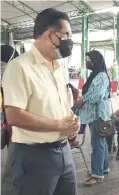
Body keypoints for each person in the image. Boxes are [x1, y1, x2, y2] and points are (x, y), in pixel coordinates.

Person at [2, 8, 79, 195]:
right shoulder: (19, 67)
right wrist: (59, 125)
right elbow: (14, 116)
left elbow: (63, 105)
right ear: (50, 34)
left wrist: (72, 121)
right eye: (66, 35)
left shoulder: (59, 68)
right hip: (34, 156)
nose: (69, 40)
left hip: (64, 152)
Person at [77, 50, 112, 187]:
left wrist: (83, 99)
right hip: (95, 114)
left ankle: (97, 175)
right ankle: (103, 168)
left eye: (89, 60)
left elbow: (97, 95)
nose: (88, 62)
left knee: (97, 144)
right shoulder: (96, 74)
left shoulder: (101, 76)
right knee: (100, 142)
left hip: (98, 114)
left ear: (96, 60)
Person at [1, 45, 19, 195]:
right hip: (10, 129)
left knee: (11, 174)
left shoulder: (19, 78)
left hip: (21, 132)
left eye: (1, 63)